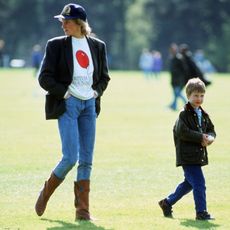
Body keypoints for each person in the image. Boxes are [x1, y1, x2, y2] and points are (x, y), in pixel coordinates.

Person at [35, 3, 110, 221]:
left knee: (86, 160)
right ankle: (47, 190)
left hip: (89, 106)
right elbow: (44, 78)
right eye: (62, 21)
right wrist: (65, 93)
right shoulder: (56, 45)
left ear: (80, 23)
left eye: (67, 21)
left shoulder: (98, 46)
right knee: (70, 157)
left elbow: (104, 77)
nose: (63, 25)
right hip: (67, 104)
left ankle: (82, 212)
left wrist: (96, 93)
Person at [158, 78, 216, 220]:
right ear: (188, 95)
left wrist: (210, 138)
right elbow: (182, 132)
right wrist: (200, 137)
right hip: (187, 156)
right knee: (199, 183)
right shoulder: (183, 114)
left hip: (197, 155)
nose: (199, 98)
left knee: (189, 184)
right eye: (195, 95)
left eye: (201, 95)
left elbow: (211, 130)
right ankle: (201, 212)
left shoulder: (204, 114)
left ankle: (167, 202)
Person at [168, 43, 187, 111]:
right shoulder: (172, 58)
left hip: (178, 80)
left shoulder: (179, 58)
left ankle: (188, 104)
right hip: (173, 79)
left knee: (178, 93)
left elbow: (184, 69)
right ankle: (174, 106)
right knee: (175, 94)